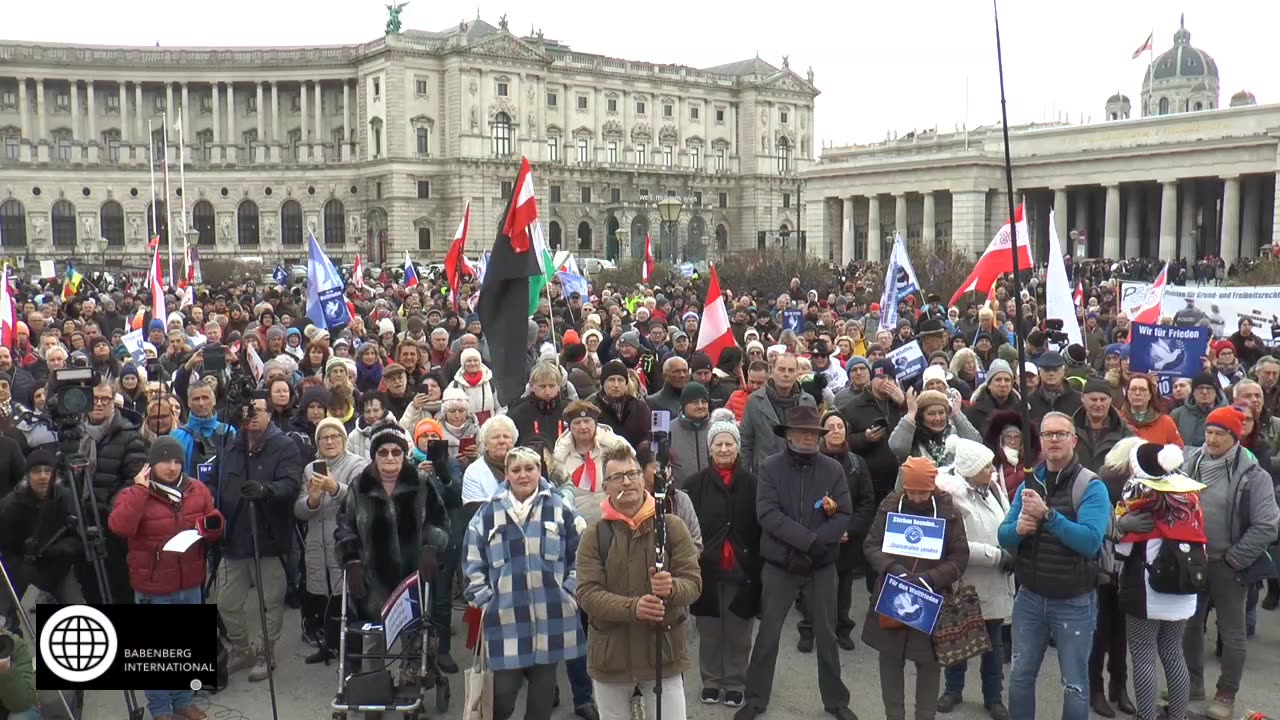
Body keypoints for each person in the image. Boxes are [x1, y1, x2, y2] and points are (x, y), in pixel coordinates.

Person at [736, 405, 856, 720]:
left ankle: (836, 700)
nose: (807, 437)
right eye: (801, 432)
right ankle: (756, 698)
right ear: (788, 436)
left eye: (813, 433)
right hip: (780, 563)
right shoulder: (770, 467)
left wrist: (817, 545)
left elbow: (843, 513)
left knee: (827, 634)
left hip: (821, 564)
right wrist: (809, 541)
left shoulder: (833, 469)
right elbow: (768, 514)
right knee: (768, 634)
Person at [457, 445, 585, 720]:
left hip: (551, 614)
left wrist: (571, 591)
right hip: (504, 617)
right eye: (516, 470)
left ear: (540, 471)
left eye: (530, 468)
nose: (523, 475)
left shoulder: (561, 508)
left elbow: (583, 555)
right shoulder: (488, 513)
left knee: (542, 699)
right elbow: (471, 561)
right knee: (502, 696)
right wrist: (485, 599)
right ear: (507, 474)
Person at [575, 443, 702, 720]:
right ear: (606, 486)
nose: (627, 482)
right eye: (617, 477)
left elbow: (693, 583)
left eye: (632, 473)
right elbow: (586, 594)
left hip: (663, 654)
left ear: (642, 477)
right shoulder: (594, 534)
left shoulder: (672, 526)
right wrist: (633, 608)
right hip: (611, 657)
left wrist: (672, 588)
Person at [998, 411, 1111, 720]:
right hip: (1030, 598)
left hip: (1074, 602)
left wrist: (1048, 516)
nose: (1054, 440)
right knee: (1020, 676)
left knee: (1074, 684)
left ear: (1074, 440)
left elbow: (1089, 542)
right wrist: (1018, 530)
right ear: (1041, 442)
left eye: (1061, 434)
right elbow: (1004, 536)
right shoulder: (1029, 485)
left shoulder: (1091, 487)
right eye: (1048, 434)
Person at [108, 436, 223, 720]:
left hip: (190, 582)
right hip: (154, 587)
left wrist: (209, 526)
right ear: (151, 464)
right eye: (165, 461)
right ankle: (161, 710)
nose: (172, 467)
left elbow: (215, 522)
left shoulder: (197, 489)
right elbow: (120, 527)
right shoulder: (133, 493)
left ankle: (183, 701)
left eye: (176, 461)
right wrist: (139, 490)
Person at [1181, 406, 1280, 720]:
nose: (1211, 439)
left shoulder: (1254, 475)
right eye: (1208, 432)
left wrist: (1236, 558)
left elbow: (1267, 525)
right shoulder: (1189, 462)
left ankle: (1226, 694)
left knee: (1232, 631)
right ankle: (1191, 684)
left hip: (1229, 564)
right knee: (1189, 626)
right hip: (1192, 560)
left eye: (1219, 434)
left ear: (1235, 437)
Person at [336, 422, 451, 678]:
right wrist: (352, 561)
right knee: (373, 636)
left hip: (412, 576)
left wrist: (431, 546)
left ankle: (412, 678)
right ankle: (372, 684)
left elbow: (439, 520)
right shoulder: (359, 486)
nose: (390, 457)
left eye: (396, 452)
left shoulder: (421, 483)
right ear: (374, 455)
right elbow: (344, 528)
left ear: (404, 453)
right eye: (383, 452)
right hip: (371, 579)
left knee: (414, 633)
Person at [864, 456, 970, 720]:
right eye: (913, 491)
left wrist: (931, 578)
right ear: (905, 487)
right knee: (890, 662)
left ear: (933, 487)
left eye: (924, 492)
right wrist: (892, 569)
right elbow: (870, 546)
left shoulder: (947, 509)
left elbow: (960, 556)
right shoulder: (890, 505)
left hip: (931, 597)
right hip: (892, 592)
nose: (919, 497)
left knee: (929, 665)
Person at [207, 393, 302, 682]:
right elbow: (214, 481)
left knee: (270, 601)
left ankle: (265, 652)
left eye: (258, 411)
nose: (251, 416)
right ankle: (240, 647)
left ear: (270, 414)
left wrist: (266, 490)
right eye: (247, 412)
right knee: (225, 601)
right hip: (234, 537)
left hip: (269, 538)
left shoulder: (284, 445)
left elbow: (291, 483)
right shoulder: (230, 445)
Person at [1107, 439, 1205, 720]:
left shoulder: (1138, 489)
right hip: (1186, 582)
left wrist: (1119, 528)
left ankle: (1147, 715)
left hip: (1147, 582)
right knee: (1174, 652)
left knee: (1143, 654)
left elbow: (1123, 545)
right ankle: (1177, 715)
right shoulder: (1188, 491)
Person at [685, 411, 762, 708]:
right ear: (710, 448)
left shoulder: (753, 484)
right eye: (718, 444)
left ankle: (735, 682)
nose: (724, 449)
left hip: (742, 570)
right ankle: (711, 681)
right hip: (708, 569)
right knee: (710, 631)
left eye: (729, 443)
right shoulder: (694, 485)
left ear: (738, 446)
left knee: (739, 633)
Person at [933, 437, 1013, 720]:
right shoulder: (952, 497)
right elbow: (958, 544)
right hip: (968, 581)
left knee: (993, 645)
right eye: (986, 465)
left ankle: (993, 697)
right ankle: (953, 690)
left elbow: (1007, 522)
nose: (992, 470)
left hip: (996, 582)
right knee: (959, 638)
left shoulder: (992, 490)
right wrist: (998, 556)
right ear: (970, 468)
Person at [797, 410, 876, 653]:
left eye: (840, 426)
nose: (835, 431)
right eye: (830, 427)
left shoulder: (856, 463)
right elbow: (801, 500)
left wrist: (848, 529)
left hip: (846, 539)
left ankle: (842, 629)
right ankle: (809, 629)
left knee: (843, 586)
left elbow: (866, 502)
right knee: (812, 585)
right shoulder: (809, 462)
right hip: (817, 537)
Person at [295, 418, 367, 664]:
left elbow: (362, 501)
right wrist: (312, 501)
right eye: (324, 437)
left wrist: (335, 488)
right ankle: (330, 645)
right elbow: (299, 510)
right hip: (317, 543)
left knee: (348, 600)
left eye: (334, 436)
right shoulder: (310, 468)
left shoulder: (358, 465)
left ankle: (353, 652)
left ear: (344, 439)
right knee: (325, 597)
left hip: (345, 544)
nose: (329, 441)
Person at [739, 353, 817, 471]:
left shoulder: (808, 401)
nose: (786, 374)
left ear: (797, 373)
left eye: (791, 370)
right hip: (765, 474)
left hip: (800, 472)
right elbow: (746, 441)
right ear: (772, 371)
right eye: (781, 369)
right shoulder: (754, 401)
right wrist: (744, 476)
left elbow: (815, 440)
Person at [1120, 374, 1183, 446]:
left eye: (1143, 389)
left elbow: (1179, 451)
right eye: (1133, 389)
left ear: (1150, 395)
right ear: (1127, 393)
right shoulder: (1118, 420)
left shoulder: (1165, 422)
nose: (1137, 393)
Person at [1171, 372, 1227, 448]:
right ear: (1193, 391)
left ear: (1216, 392)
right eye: (1200, 388)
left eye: (1209, 388)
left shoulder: (1227, 415)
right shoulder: (1177, 415)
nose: (1204, 392)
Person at [0, 628, 38, 720]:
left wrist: (6, 670)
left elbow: (22, 704)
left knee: (22, 717)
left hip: (9, 707)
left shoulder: (11, 644)